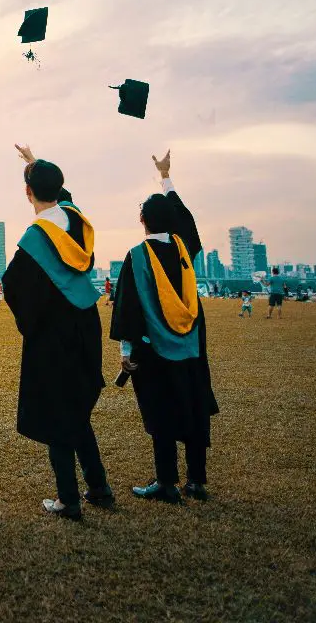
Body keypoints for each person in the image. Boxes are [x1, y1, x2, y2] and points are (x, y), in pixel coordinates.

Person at [2, 144, 110, 521]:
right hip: (87, 322)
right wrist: (35, 164)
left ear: (27, 193)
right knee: (77, 409)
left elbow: (13, 285)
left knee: (57, 412)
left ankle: (68, 499)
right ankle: (99, 487)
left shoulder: (34, 240)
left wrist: (32, 325)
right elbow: (63, 196)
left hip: (54, 333)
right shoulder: (78, 222)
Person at [110, 150, 219, 504]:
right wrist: (166, 177)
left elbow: (127, 307)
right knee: (193, 406)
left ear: (142, 220)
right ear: (173, 222)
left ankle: (167, 483)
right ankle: (197, 481)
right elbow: (187, 223)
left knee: (161, 411)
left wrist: (125, 351)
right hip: (191, 347)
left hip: (153, 349)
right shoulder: (185, 249)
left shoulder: (137, 256)